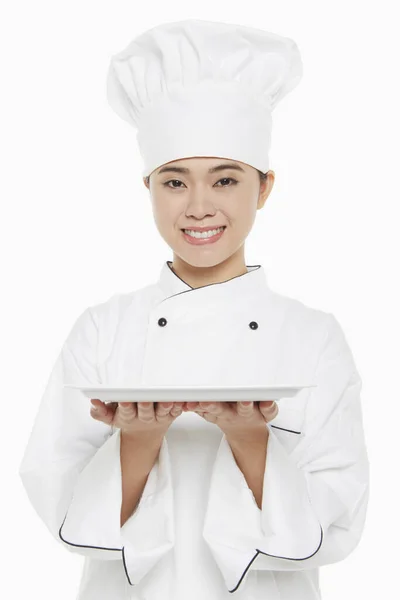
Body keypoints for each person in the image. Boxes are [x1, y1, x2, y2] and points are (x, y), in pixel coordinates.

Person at [18, 18, 370, 600]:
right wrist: (136, 443)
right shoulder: (102, 330)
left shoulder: (313, 337)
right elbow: (60, 510)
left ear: (264, 188)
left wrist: (250, 438)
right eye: (175, 182)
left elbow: (337, 521)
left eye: (225, 180)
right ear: (149, 188)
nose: (199, 207)